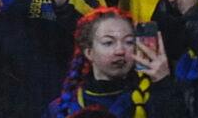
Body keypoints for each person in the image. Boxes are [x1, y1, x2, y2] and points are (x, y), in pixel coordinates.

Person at [44, 7, 182, 118]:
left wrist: (164, 85)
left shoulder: (152, 98)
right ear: (89, 52)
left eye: (129, 42)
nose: (120, 51)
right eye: (108, 43)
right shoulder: (62, 108)